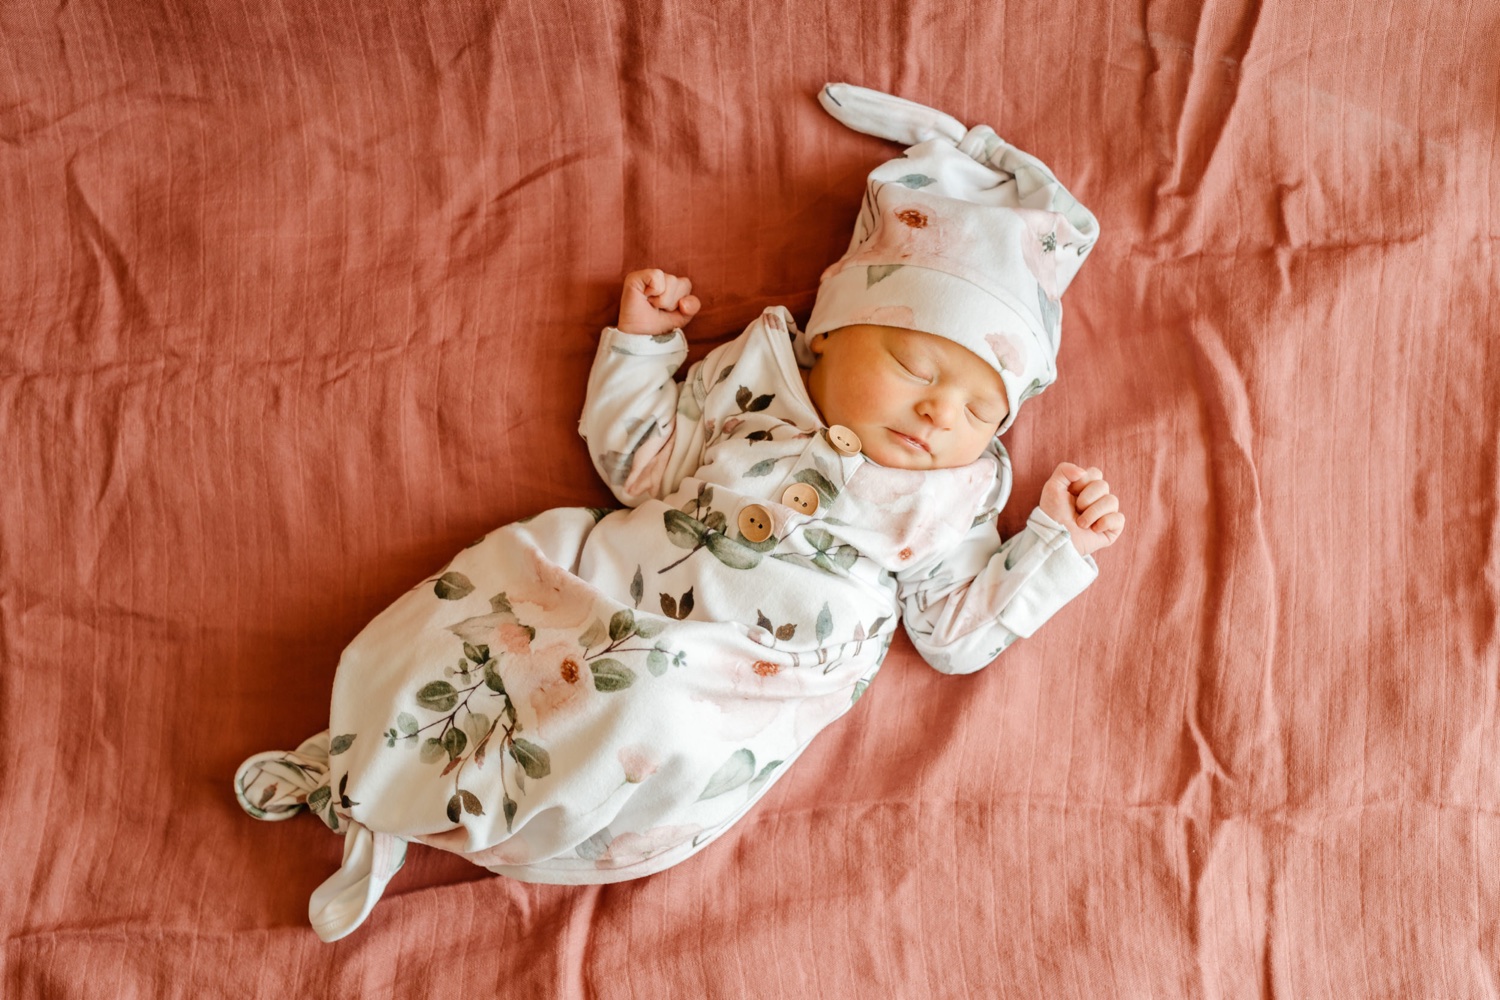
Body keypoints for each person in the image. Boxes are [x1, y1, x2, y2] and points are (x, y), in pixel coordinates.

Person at [234, 82, 1125, 941]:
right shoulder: (756, 388)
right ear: (828, 337)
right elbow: (639, 462)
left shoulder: (955, 500)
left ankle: (442, 813)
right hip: (608, 583)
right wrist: (642, 348)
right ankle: (365, 765)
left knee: (647, 710)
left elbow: (955, 635)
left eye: (981, 410)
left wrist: (1053, 547)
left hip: (733, 684)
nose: (941, 414)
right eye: (919, 368)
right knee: (496, 602)